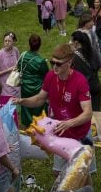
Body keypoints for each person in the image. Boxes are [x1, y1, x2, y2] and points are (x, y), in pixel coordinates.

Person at [15, 42, 95, 178]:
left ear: (69, 62)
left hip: (80, 133)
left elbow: (88, 113)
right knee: (58, 173)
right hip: (61, 132)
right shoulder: (51, 76)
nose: (54, 67)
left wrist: (69, 123)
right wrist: (23, 101)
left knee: (83, 173)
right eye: (52, 62)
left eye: (58, 64)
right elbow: (40, 99)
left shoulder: (80, 81)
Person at [17, 33, 49, 127]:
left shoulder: (22, 56)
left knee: (26, 105)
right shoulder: (41, 61)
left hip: (24, 87)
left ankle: (28, 125)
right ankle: (38, 126)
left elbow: (19, 68)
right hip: (37, 89)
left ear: (29, 44)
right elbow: (47, 76)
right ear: (40, 45)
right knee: (37, 108)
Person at [0, 31, 21, 102]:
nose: (7, 43)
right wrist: (8, 70)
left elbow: (18, 64)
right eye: (5, 41)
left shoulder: (15, 50)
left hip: (16, 86)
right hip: (5, 89)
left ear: (13, 42)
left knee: (17, 110)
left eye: (9, 41)